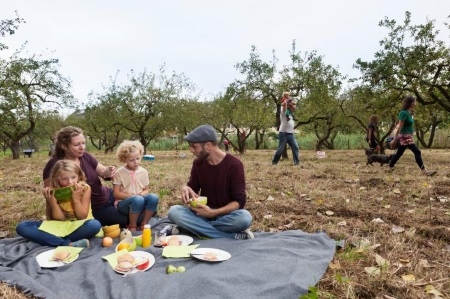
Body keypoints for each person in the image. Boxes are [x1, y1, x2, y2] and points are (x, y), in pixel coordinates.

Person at [167, 124, 254, 240]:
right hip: (202, 214)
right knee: (174, 212)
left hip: (226, 216)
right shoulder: (198, 164)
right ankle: (228, 236)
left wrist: (213, 213)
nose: (191, 150)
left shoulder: (234, 165)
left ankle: (191, 230)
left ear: (208, 146)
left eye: (194, 146)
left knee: (244, 218)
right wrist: (186, 188)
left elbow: (239, 202)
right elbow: (193, 189)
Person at [43, 126, 129, 227]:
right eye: (76, 144)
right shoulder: (55, 165)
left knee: (139, 205)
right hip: (95, 207)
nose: (82, 147)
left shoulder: (85, 156)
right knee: (130, 219)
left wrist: (108, 171)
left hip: (107, 194)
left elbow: (102, 172)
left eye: (83, 143)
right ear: (64, 146)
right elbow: (53, 194)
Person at [16, 160, 101, 247]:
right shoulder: (53, 192)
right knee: (22, 226)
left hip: (80, 225)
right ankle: (66, 243)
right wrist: (53, 203)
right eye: (64, 179)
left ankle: (50, 239)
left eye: (73, 177)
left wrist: (76, 199)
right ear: (57, 179)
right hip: (59, 226)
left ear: (79, 176)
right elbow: (55, 219)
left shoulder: (85, 189)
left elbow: (82, 216)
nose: (70, 182)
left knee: (95, 225)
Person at [112, 140, 159, 231]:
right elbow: (116, 194)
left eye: (138, 158)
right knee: (137, 199)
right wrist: (133, 196)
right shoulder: (119, 173)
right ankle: (132, 226)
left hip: (140, 200)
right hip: (124, 203)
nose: (136, 162)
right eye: (131, 160)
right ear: (124, 159)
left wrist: (142, 194)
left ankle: (144, 223)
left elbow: (146, 189)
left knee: (154, 197)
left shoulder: (143, 172)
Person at [388, 95, 436, 176]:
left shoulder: (408, 113)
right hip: (404, 136)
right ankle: (424, 172)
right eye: (415, 102)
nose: (415, 104)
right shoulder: (403, 113)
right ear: (411, 103)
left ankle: (390, 166)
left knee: (399, 152)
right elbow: (399, 127)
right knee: (417, 151)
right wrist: (394, 139)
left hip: (408, 136)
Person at [272, 92, 300, 165]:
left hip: (291, 134)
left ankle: (296, 163)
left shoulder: (290, 114)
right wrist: (286, 100)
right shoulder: (283, 111)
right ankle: (274, 163)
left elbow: (294, 106)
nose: (293, 109)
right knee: (280, 150)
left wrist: (291, 101)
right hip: (283, 133)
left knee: (295, 147)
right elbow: (284, 104)